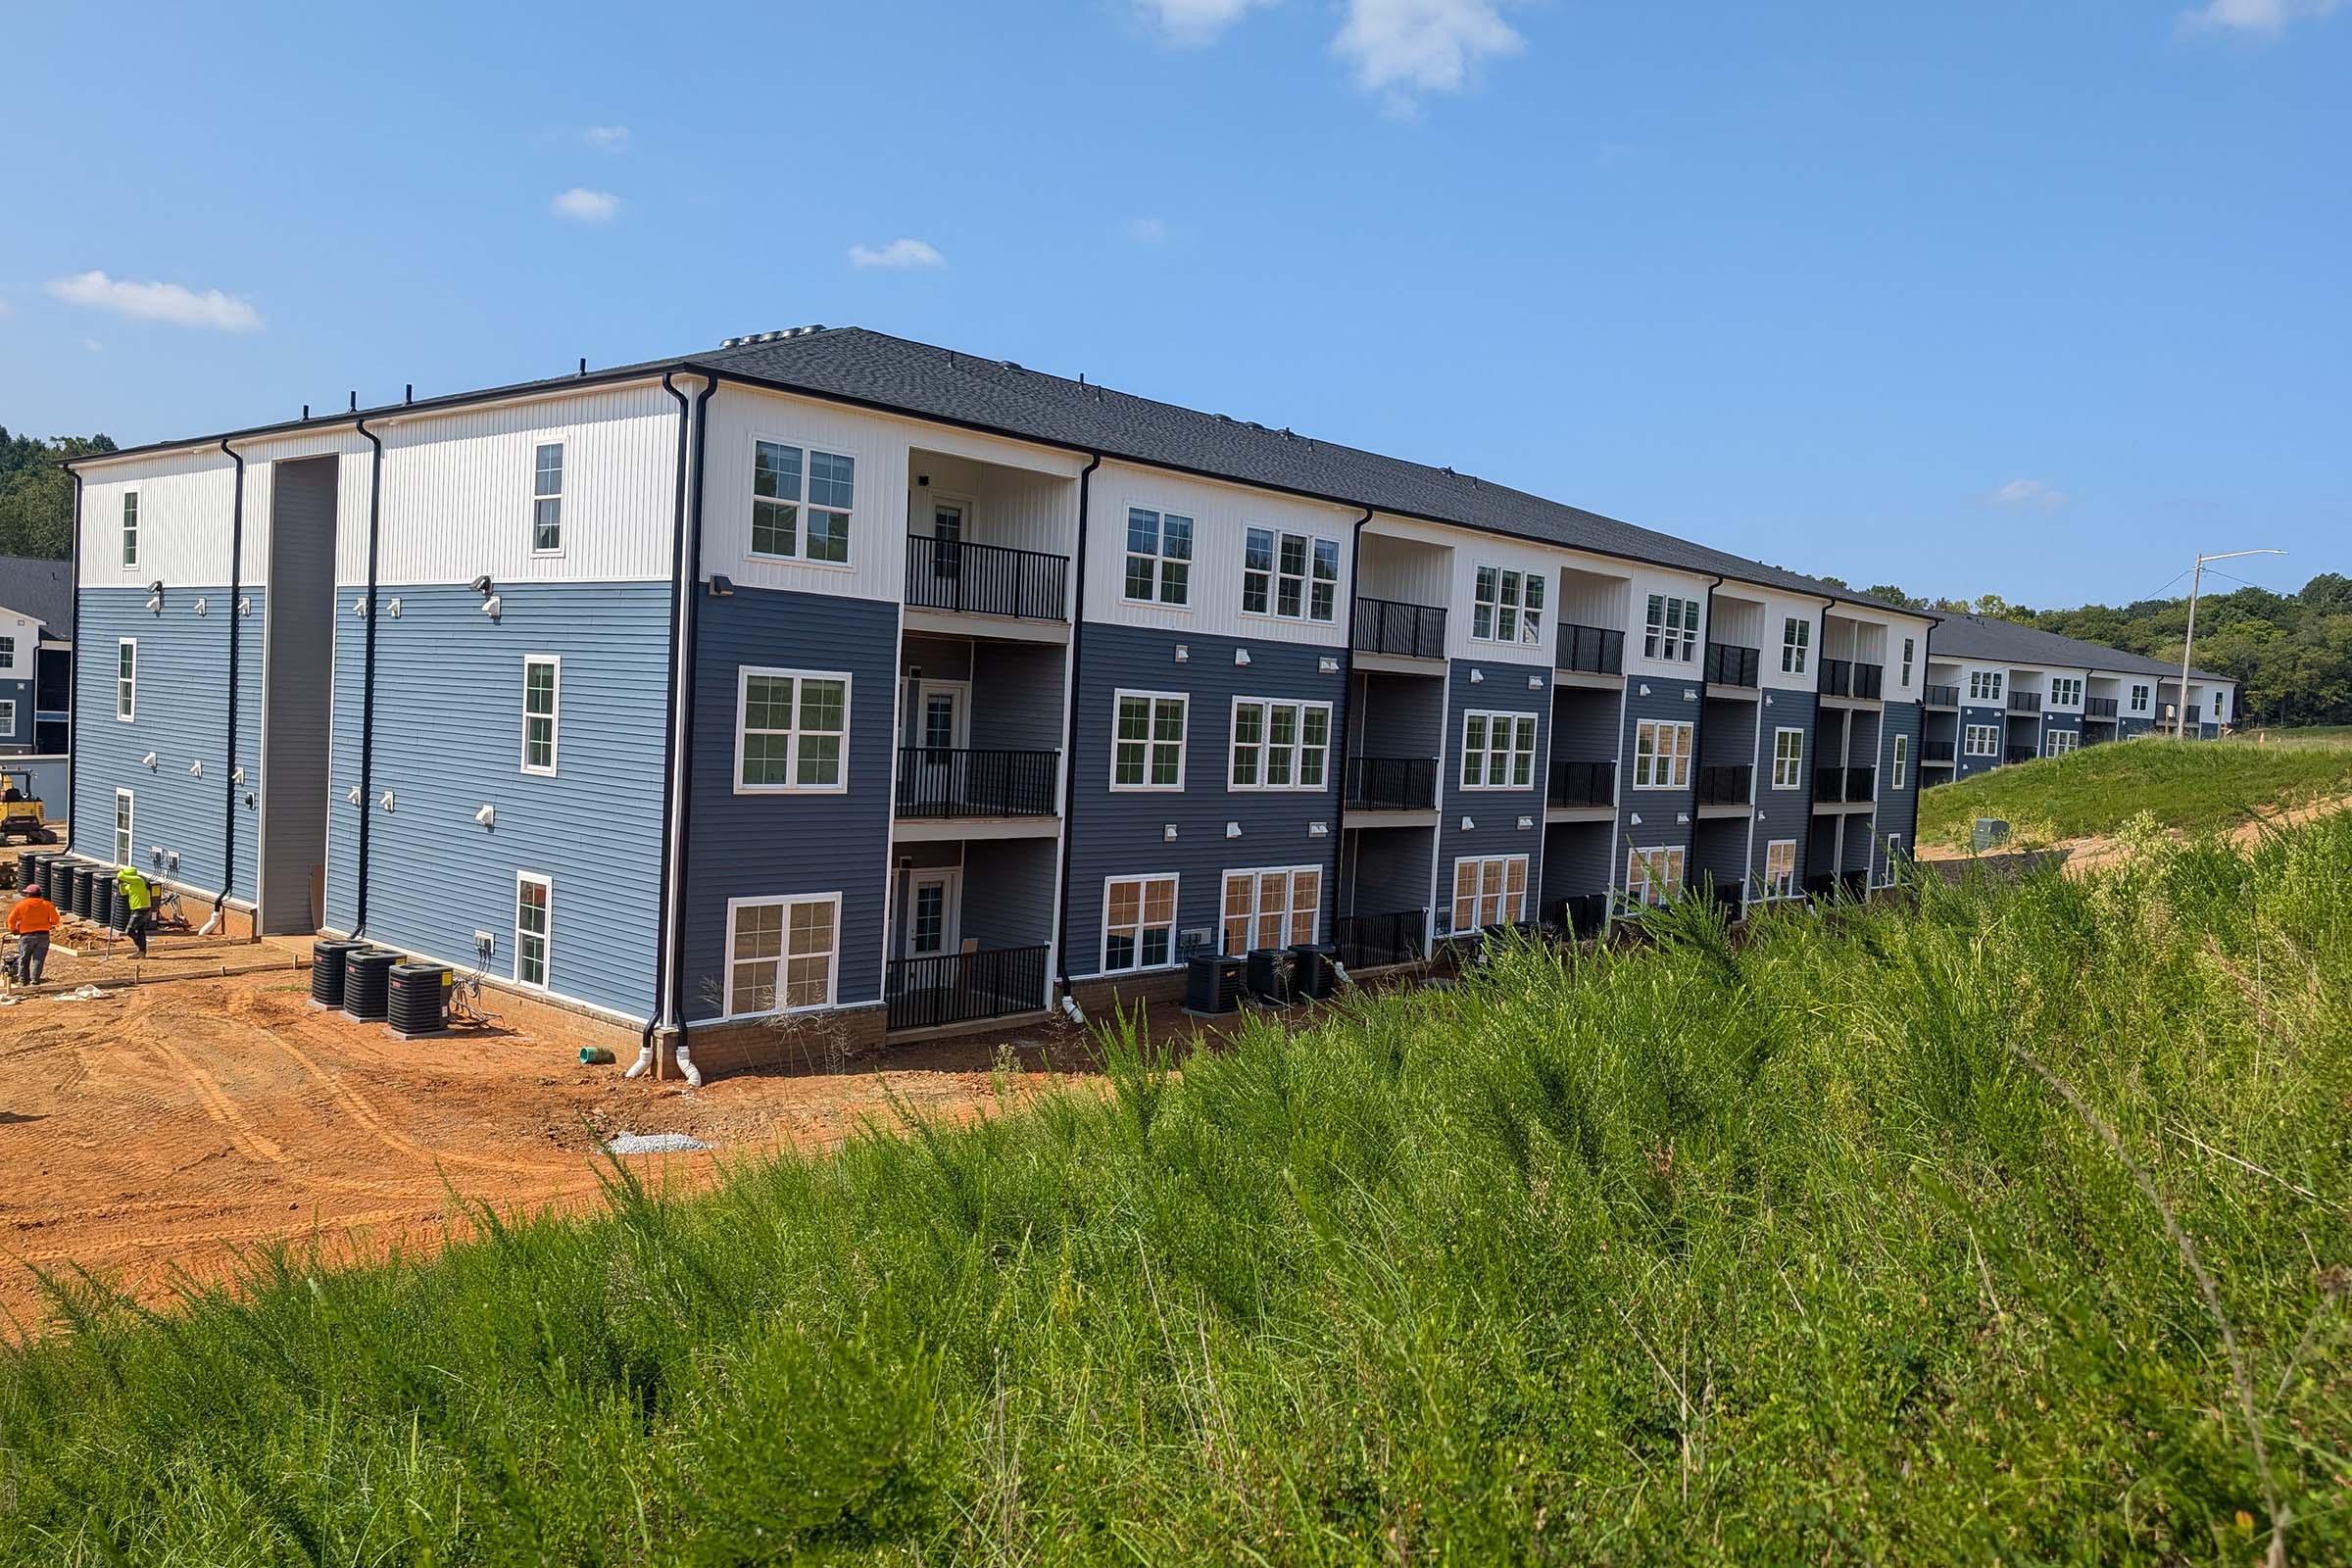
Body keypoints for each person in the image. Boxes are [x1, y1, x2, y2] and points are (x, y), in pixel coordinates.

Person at [8, 881, 60, 984]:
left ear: (28, 894)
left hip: (27, 936)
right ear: (40, 894)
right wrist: (47, 924)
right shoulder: (47, 905)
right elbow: (55, 920)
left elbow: (11, 920)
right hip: (43, 936)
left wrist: (13, 929)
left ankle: (23, 980)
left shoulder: (21, 905)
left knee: (24, 959)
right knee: (38, 959)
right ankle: (35, 980)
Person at [116, 864, 155, 957]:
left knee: (129, 930)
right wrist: (120, 883)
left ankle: (140, 946)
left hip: (141, 910)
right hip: (139, 909)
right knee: (140, 930)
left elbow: (120, 875)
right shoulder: (133, 885)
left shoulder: (138, 881)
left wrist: (121, 874)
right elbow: (123, 892)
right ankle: (141, 952)